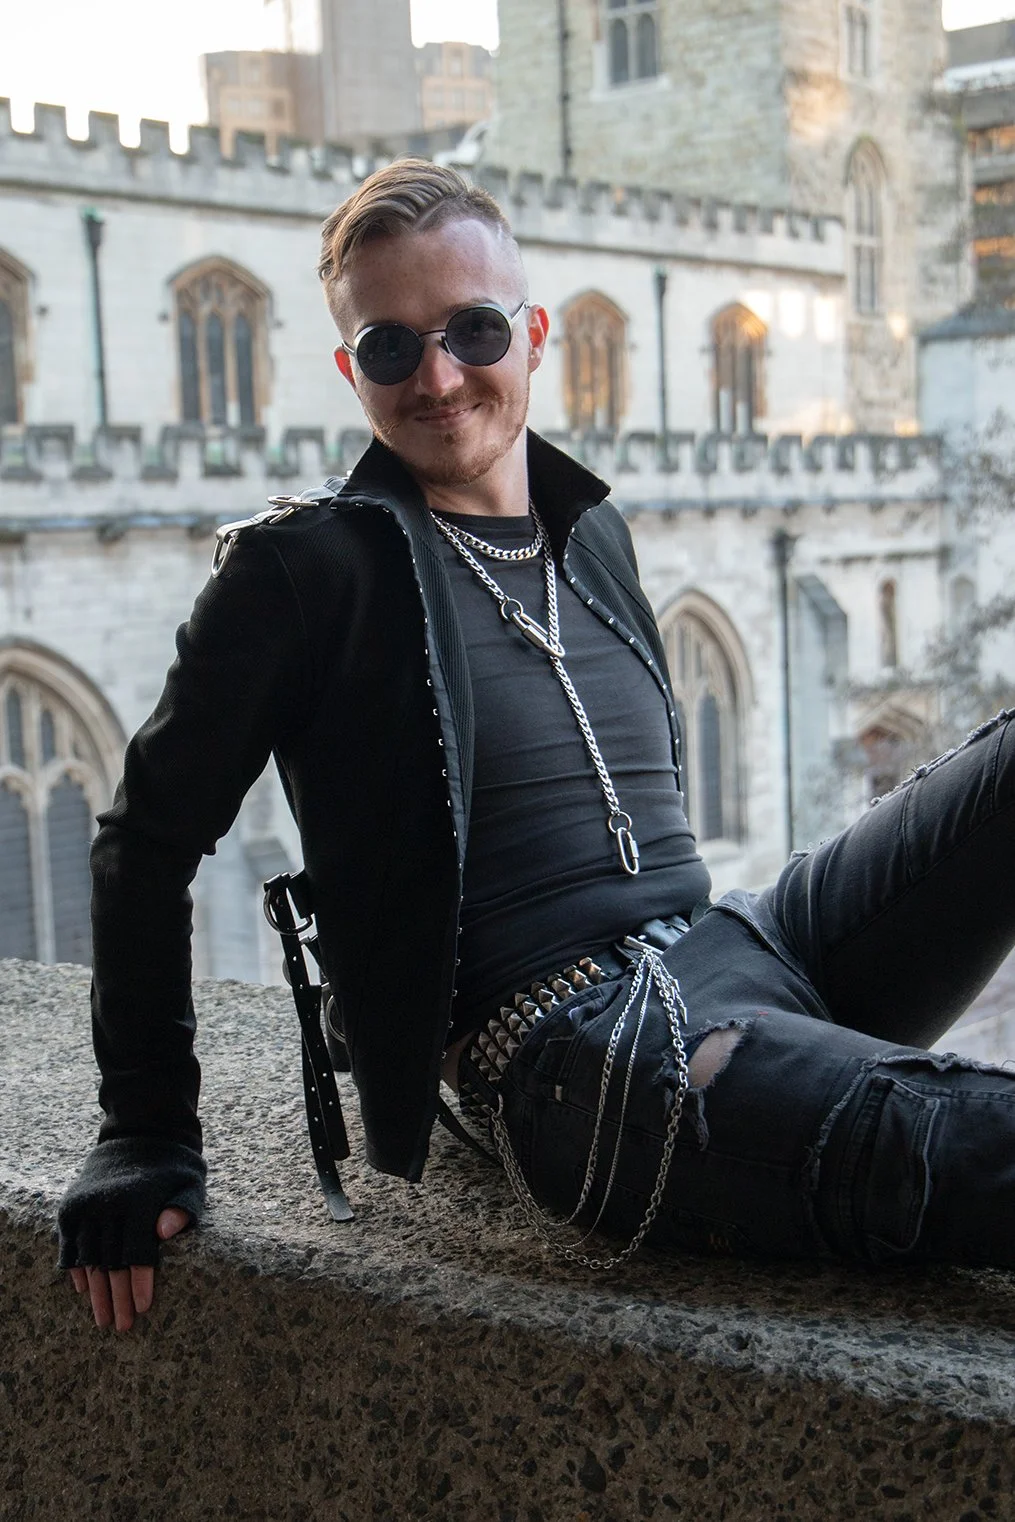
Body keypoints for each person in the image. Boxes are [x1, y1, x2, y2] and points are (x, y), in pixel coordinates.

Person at [59, 159, 1015, 1332]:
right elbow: (142, 843)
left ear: (535, 332)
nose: (442, 375)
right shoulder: (303, 570)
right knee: (981, 1146)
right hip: (576, 1055)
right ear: (353, 367)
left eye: (472, 329)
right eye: (394, 348)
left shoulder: (591, 525)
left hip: (743, 943)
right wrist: (143, 1129)